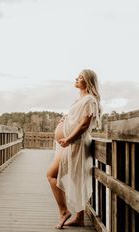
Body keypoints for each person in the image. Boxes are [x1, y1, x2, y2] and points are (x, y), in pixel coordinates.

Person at [47, 69, 101, 229]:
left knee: (51, 175)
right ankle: (79, 218)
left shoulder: (90, 100)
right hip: (69, 144)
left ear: (88, 81)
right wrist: (66, 119)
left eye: (80, 77)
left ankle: (64, 212)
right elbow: (76, 119)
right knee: (76, 179)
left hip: (75, 144)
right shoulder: (81, 99)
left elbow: (84, 124)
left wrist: (68, 139)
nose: (76, 79)